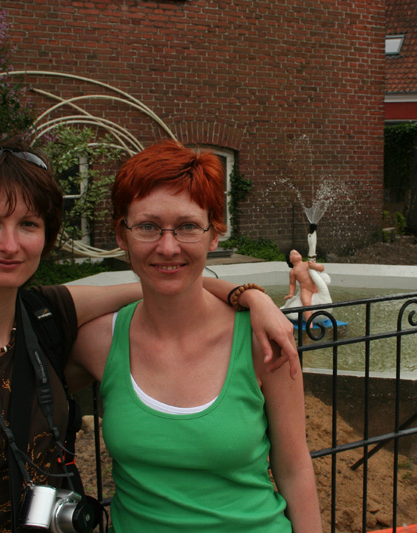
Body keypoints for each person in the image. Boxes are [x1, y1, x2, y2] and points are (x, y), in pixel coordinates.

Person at [0, 141, 297, 532]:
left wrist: (249, 296)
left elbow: (161, 281)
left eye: (28, 224)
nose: (9, 244)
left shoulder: (48, 319)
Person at [68, 140, 321, 532]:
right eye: (148, 227)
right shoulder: (99, 341)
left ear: (214, 234)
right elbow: (37, 314)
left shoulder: (260, 341)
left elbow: (294, 469)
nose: (168, 247)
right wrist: (247, 292)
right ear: (122, 235)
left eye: (187, 227)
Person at [285, 249, 326, 322]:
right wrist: (291, 294)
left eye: (297, 252)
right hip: (306, 290)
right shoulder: (293, 271)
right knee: (306, 302)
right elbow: (292, 284)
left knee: (324, 298)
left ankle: (324, 315)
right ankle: (309, 321)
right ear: (290, 260)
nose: (296, 253)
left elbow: (322, 268)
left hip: (316, 287)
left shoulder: (308, 263)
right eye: (293, 254)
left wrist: (314, 266)